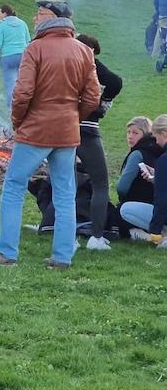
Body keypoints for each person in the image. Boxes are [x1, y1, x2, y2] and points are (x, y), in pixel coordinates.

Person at [0, 0, 100, 269]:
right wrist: (73, 117)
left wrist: (19, 122)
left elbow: (22, 93)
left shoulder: (35, 48)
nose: (35, 18)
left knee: (14, 186)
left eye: (39, 14)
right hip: (66, 133)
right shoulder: (84, 51)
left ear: (51, 17)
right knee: (65, 193)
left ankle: (6, 253)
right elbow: (93, 96)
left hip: (36, 131)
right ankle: (62, 257)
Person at [74, 34, 123, 251]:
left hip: (61, 127)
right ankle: (95, 238)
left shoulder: (63, 64)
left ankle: (63, 234)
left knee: (64, 184)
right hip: (87, 129)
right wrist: (104, 103)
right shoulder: (90, 65)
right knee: (100, 184)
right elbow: (115, 82)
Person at [117, 116, 165, 239]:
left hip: (149, 208)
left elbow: (122, 188)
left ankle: (155, 235)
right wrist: (156, 177)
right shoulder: (160, 152)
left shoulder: (138, 154)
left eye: (135, 133)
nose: (130, 136)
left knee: (122, 211)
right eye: (128, 132)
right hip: (156, 207)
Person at [0, 4, 31, 110]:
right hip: (23, 56)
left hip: (7, 57)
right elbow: (28, 41)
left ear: (4, 13)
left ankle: (11, 107)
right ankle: (25, 104)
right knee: (22, 82)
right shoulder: (22, 23)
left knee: (10, 83)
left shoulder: (2, 25)